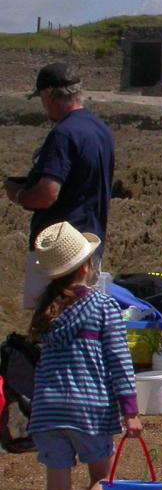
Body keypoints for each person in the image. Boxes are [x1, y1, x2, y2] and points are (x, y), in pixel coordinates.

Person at [26, 221, 142, 490]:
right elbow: (119, 362)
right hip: (88, 409)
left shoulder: (46, 313)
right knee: (102, 477)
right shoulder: (102, 305)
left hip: (47, 410)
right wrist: (132, 411)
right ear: (87, 266)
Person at [4, 63, 115, 311]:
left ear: (51, 95)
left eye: (42, 99)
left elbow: (46, 194)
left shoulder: (63, 134)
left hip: (58, 250)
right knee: (85, 322)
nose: (43, 107)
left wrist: (19, 194)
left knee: (48, 325)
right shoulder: (101, 130)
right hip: (90, 241)